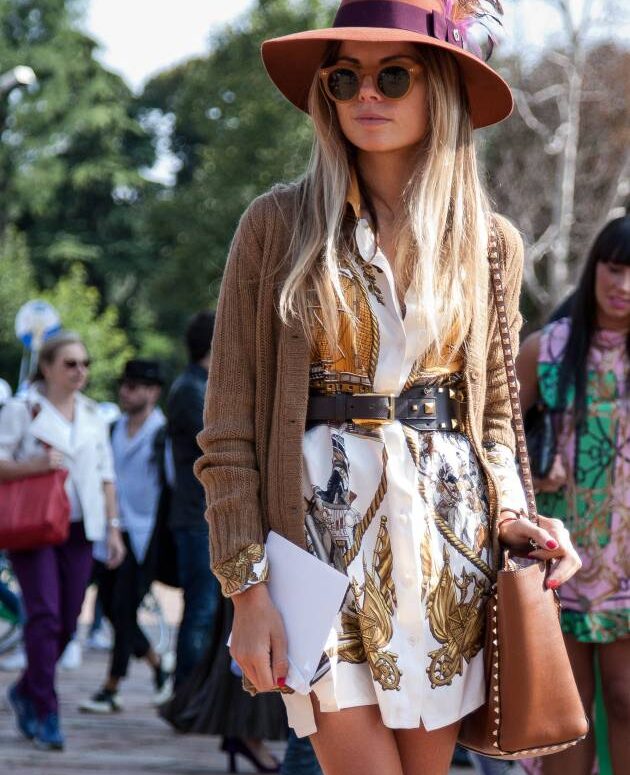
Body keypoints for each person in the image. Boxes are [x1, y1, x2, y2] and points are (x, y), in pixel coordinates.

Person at [194, 2, 582, 774]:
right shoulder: (276, 226)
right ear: (325, 97)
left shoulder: (488, 242)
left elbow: (496, 417)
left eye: (393, 75)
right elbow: (228, 428)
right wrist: (246, 590)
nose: (366, 94)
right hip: (317, 553)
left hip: (448, 551)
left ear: (439, 85)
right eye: (345, 78)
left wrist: (517, 515)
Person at [517, 215, 630, 775]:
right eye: (614, 268)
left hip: (628, 559)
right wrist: (533, 476)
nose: (624, 285)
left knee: (626, 697)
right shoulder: (551, 349)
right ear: (595, 270)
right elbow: (494, 436)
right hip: (563, 553)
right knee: (567, 715)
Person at [0, 331, 125, 750]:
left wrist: (113, 527)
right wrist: (32, 465)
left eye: (85, 364)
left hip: (79, 530)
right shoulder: (21, 409)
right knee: (45, 617)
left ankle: (24, 689)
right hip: (34, 528)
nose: (80, 371)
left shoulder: (92, 414)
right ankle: (46, 709)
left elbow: (106, 476)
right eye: (70, 363)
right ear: (48, 367)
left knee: (69, 622)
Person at [79, 359, 173, 714]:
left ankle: (111, 687)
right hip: (110, 530)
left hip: (145, 535)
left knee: (123, 608)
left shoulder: (161, 433)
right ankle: (158, 664)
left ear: (153, 392)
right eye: (124, 384)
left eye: (134, 386)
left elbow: (171, 486)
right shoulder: (113, 427)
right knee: (108, 607)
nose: (125, 391)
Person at [167, 311, 220, 686]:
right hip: (195, 516)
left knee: (205, 609)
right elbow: (215, 439)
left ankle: (191, 695)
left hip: (199, 515)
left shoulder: (196, 385)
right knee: (201, 609)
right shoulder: (191, 389)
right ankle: (186, 695)